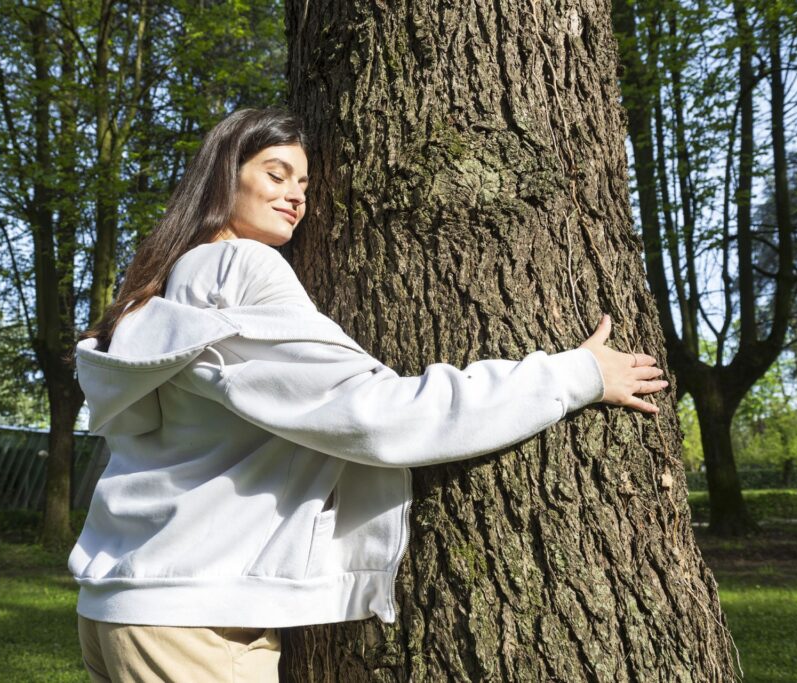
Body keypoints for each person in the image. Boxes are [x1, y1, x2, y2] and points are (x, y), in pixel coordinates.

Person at [69, 107, 668, 682]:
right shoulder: (239, 268)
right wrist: (571, 376)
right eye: (275, 174)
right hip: (194, 621)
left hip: (126, 604)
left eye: (304, 181)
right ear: (224, 178)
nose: (297, 195)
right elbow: (373, 417)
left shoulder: (169, 288)